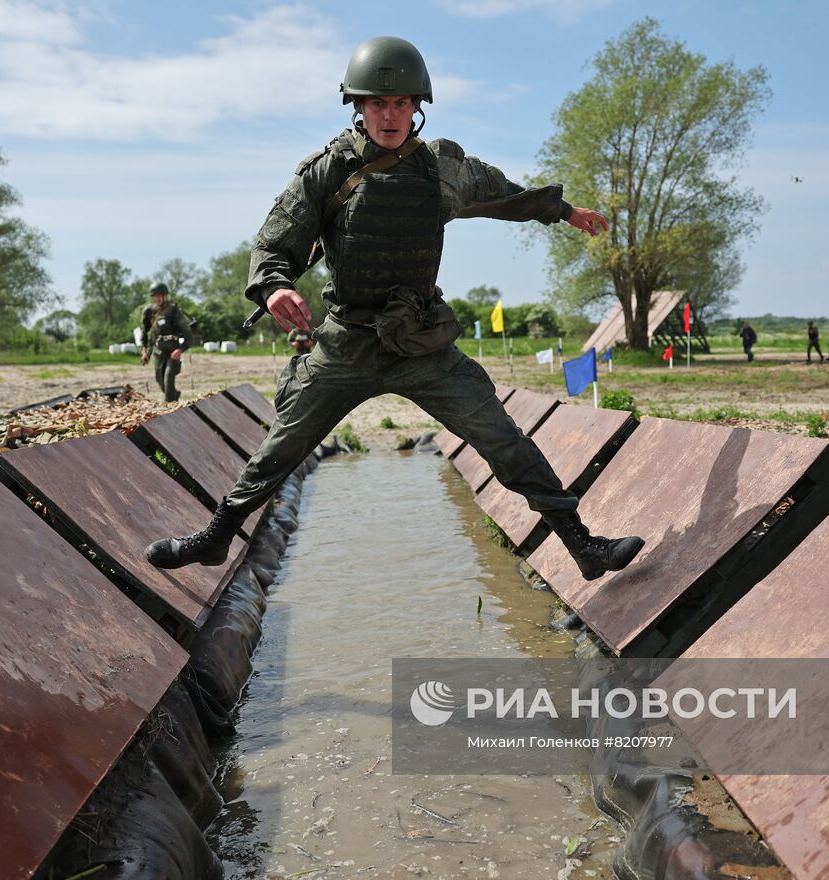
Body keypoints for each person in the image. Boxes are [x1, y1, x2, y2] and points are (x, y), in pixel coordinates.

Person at [145, 36, 644, 581]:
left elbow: (505, 195)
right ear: (357, 106)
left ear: (417, 107)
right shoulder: (327, 171)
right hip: (345, 344)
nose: (390, 114)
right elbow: (272, 246)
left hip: (420, 343)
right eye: (378, 103)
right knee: (279, 449)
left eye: (402, 103)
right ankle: (217, 537)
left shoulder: (441, 169)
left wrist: (565, 212)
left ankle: (582, 545)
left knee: (502, 438)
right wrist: (273, 288)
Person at [140, 282, 193, 403]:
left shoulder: (175, 311)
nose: (158, 298)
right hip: (158, 351)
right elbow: (144, 333)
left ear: (166, 296)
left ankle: (170, 407)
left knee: (168, 378)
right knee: (160, 380)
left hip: (173, 351)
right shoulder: (149, 311)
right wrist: (145, 352)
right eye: (155, 296)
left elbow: (188, 335)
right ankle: (174, 396)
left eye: (160, 296)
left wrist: (180, 350)